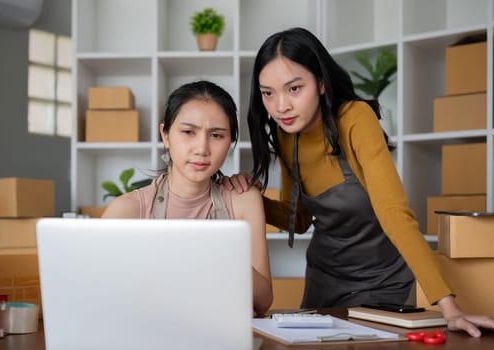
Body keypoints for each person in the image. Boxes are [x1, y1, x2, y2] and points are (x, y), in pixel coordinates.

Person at [222, 27, 494, 336]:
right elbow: (299, 219)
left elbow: (394, 215)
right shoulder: (287, 137)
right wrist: (251, 198)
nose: (280, 106)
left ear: (321, 83)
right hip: (323, 280)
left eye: (294, 88)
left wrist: (450, 308)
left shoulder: (355, 118)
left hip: (381, 282)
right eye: (268, 93)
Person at [102, 80, 273, 315]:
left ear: (230, 142)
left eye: (216, 135)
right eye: (188, 132)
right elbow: (101, 298)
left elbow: (263, 301)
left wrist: (222, 252)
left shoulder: (244, 200)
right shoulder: (125, 211)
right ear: (165, 134)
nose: (201, 148)